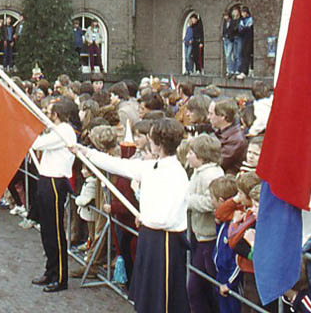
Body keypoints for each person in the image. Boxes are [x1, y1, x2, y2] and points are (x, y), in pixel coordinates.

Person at [77, 117, 190, 312]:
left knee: (162, 296)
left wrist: (145, 217)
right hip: (151, 235)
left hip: (164, 239)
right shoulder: (152, 166)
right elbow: (119, 165)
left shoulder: (175, 173)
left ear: (158, 143)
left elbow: (165, 218)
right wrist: (85, 152)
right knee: (148, 294)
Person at [29, 98, 77, 293]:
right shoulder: (58, 130)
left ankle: (60, 277)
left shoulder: (64, 130)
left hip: (56, 182)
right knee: (47, 230)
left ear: (57, 114)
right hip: (46, 178)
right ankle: (50, 270)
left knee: (55, 231)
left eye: (49, 112)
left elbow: (37, 143)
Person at [186, 134, 225, 313]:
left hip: (209, 236)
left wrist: (187, 200)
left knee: (197, 286)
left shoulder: (210, 175)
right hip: (199, 233)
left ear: (202, 155)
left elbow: (211, 202)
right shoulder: (199, 171)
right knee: (202, 285)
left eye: (191, 153)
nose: (187, 156)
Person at [210, 175, 242, 313]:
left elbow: (238, 261)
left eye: (212, 198)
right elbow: (219, 214)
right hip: (221, 275)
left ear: (221, 201)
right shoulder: (224, 222)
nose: (210, 201)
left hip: (231, 281)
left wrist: (230, 283)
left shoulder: (236, 225)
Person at [207, 98, 247, 175]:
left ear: (223, 116)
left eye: (211, 114)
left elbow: (216, 163)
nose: (208, 117)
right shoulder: (222, 133)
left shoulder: (236, 140)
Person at [237, 6, 253, 78]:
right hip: (243, 39)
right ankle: (243, 71)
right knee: (243, 54)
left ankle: (246, 71)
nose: (242, 14)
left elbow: (249, 30)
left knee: (247, 54)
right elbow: (240, 31)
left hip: (249, 39)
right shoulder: (242, 21)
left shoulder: (250, 20)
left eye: (243, 12)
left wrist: (244, 29)